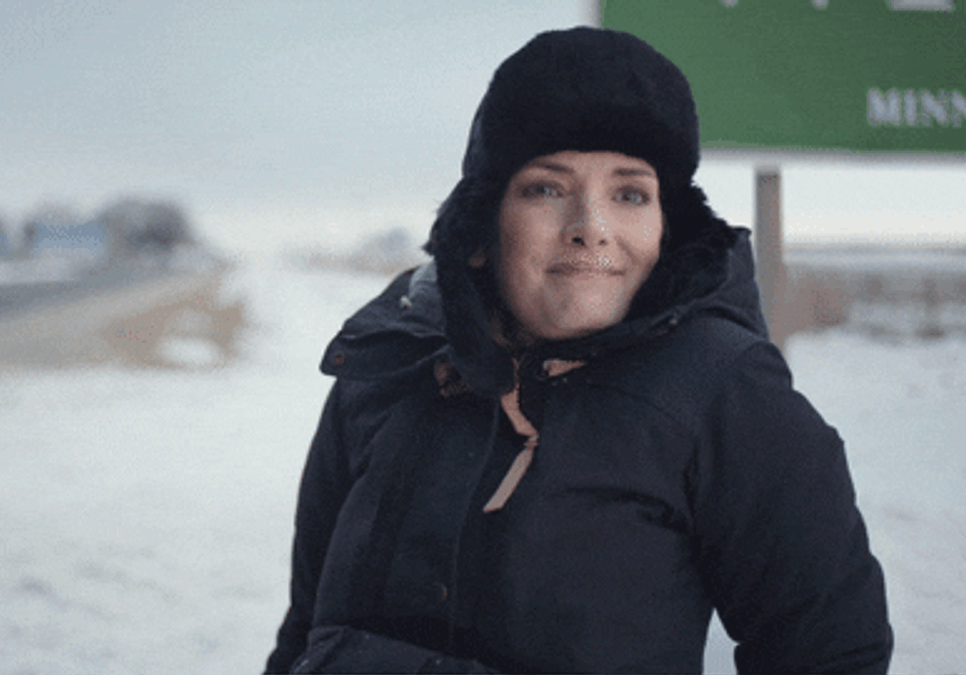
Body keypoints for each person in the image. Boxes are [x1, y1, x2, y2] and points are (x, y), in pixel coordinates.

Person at [265, 27, 893, 674]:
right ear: (481, 226)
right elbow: (305, 634)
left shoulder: (727, 390)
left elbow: (831, 655)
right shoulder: (389, 365)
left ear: (666, 228)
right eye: (546, 189)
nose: (591, 228)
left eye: (630, 194)